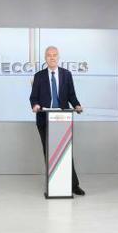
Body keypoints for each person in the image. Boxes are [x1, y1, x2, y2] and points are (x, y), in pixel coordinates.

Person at [29, 46, 85, 196]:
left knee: (66, 152)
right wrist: (35, 105)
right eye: (49, 55)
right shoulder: (39, 76)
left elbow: (72, 95)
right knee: (49, 153)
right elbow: (33, 97)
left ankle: (74, 185)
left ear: (58, 57)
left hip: (62, 120)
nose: (52, 58)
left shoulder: (66, 74)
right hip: (44, 119)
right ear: (45, 58)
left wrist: (77, 105)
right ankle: (53, 184)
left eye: (54, 55)